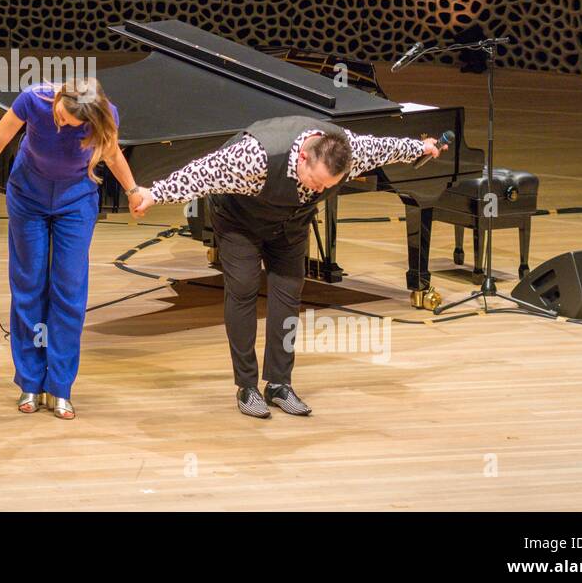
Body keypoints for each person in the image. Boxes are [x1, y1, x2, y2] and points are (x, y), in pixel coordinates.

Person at [132, 115, 445, 419]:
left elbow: (385, 148)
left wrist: (422, 148)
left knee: (289, 294)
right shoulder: (257, 156)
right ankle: (247, 387)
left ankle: (280, 384)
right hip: (240, 222)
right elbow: (201, 173)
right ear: (304, 157)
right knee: (243, 289)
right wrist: (154, 194)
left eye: (328, 185)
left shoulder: (349, 151)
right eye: (315, 181)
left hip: (290, 226)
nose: (319, 190)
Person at [0, 77, 146, 419]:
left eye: (72, 124)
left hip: (75, 202)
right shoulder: (34, 99)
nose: (62, 124)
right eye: (61, 117)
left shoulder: (105, 114)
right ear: (60, 98)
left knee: (68, 291)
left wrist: (133, 190)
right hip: (28, 197)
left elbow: (113, 153)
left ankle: (60, 387)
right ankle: (30, 382)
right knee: (29, 286)